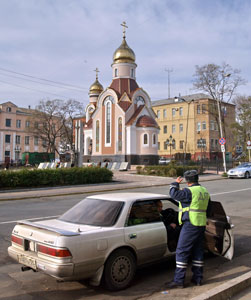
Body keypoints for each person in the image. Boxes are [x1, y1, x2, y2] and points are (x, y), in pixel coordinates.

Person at [166, 170, 211, 289]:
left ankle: (179, 280)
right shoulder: (204, 191)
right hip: (200, 224)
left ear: (187, 181)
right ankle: (198, 278)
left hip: (190, 224)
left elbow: (173, 194)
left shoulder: (189, 191)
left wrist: (175, 183)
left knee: (182, 251)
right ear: (197, 179)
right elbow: (209, 209)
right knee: (198, 251)